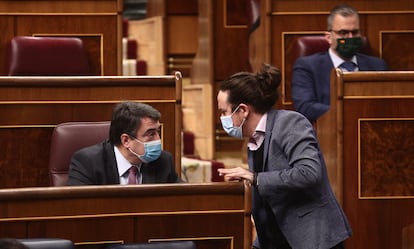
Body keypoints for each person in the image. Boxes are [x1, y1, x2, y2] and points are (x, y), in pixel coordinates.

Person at [216, 63, 352, 249]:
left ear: (243, 110)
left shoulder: (289, 123)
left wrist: (255, 178)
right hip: (276, 239)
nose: (222, 118)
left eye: (224, 111)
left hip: (313, 239)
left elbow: (309, 172)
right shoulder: (254, 139)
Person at [291, 4, 387, 123]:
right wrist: (348, 112)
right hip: (327, 132)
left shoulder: (377, 66)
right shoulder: (307, 66)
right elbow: (305, 107)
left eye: (355, 32)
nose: (350, 37)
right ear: (329, 37)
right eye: (343, 32)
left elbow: (385, 106)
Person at [67, 101, 180, 185]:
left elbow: (184, 201)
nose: (158, 139)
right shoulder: (88, 162)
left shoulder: (163, 161)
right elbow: (77, 208)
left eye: (158, 132)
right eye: (151, 134)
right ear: (126, 140)